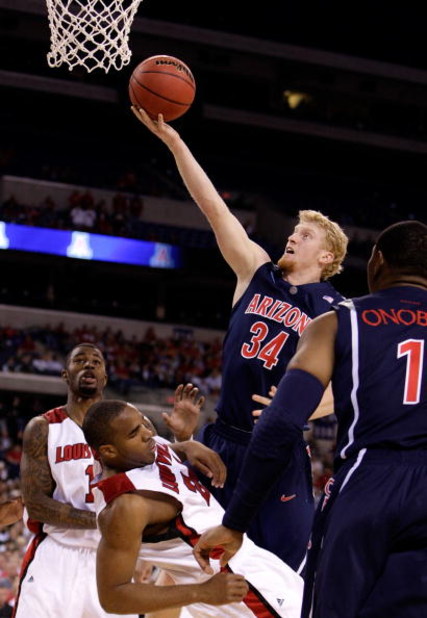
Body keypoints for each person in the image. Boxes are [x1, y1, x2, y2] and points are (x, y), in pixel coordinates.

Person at [132, 106, 348, 571]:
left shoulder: (334, 309)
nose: (292, 236)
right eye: (293, 230)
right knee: (191, 561)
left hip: (279, 447)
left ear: (326, 255)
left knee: (282, 571)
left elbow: (348, 386)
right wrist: (174, 142)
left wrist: (298, 408)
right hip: (222, 439)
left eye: (304, 235)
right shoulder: (255, 270)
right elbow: (214, 207)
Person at [193, 220, 427, 617]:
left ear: (378, 261)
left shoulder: (339, 319)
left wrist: (235, 522)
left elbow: (281, 423)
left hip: (368, 480)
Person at [15, 342, 222, 618]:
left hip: (112, 558)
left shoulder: (129, 419)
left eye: (96, 362)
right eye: (80, 360)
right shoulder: (43, 427)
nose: (89, 365)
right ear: (65, 374)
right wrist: (111, 522)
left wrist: (184, 442)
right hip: (57, 557)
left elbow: (156, 464)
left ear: (105, 378)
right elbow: (37, 505)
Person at [82, 398, 304, 617]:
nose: (148, 433)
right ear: (109, 451)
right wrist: (201, 592)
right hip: (234, 588)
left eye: (144, 422)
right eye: (134, 432)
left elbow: (165, 457)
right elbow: (112, 597)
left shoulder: (140, 452)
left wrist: (186, 442)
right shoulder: (124, 506)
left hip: (252, 560)